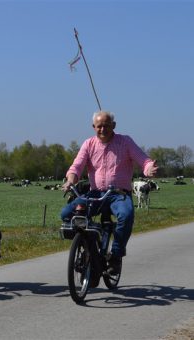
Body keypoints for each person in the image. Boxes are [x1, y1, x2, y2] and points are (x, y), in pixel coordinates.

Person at [61, 110, 158, 276]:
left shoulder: (125, 142)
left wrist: (149, 169)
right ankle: (92, 239)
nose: (103, 129)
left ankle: (116, 256)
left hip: (118, 194)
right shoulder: (88, 144)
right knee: (67, 214)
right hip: (95, 194)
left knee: (126, 215)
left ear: (114, 125)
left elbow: (144, 160)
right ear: (93, 127)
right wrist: (71, 180)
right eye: (99, 126)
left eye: (106, 125)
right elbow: (76, 166)